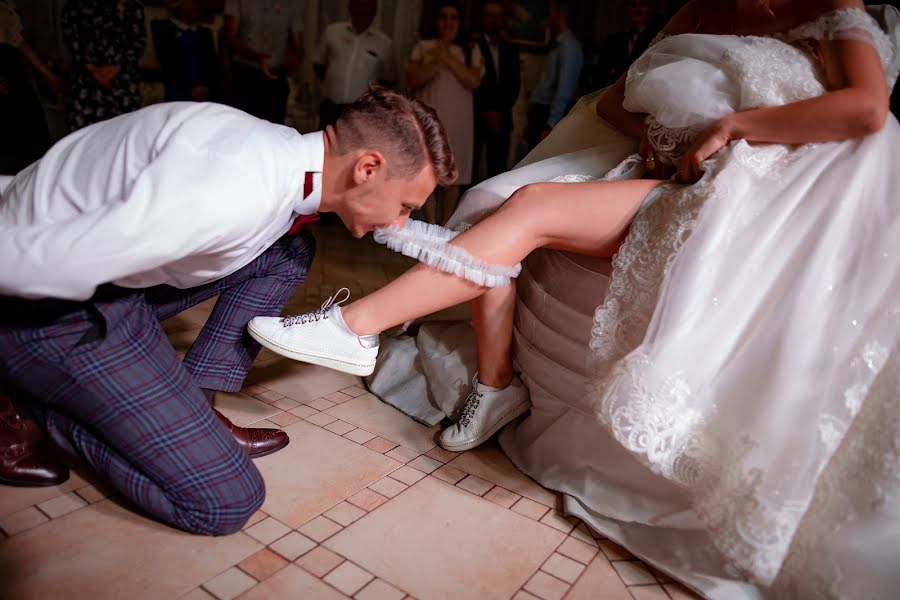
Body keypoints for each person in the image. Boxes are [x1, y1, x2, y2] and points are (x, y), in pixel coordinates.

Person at [248, 1, 900, 596]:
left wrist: (732, 127)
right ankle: (482, 375)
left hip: (757, 207)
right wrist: (656, 128)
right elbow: (617, 100)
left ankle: (358, 328)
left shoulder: (831, 10)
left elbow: (866, 110)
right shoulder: (701, 9)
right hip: (672, 178)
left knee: (529, 211)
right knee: (510, 208)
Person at [0, 88, 455, 532]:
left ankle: (196, 399)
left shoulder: (274, 149)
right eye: (404, 206)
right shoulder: (231, 190)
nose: (399, 223)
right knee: (226, 498)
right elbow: (31, 261)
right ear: (368, 167)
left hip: (110, 273)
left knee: (287, 252)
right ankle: (38, 402)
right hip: (52, 309)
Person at [407, 0, 485, 224]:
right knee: (428, 171)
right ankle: (430, 224)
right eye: (443, 17)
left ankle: (446, 227)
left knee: (454, 174)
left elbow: (473, 81)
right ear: (436, 21)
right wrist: (436, 56)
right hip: (429, 121)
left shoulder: (471, 50)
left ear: (460, 23)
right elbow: (414, 79)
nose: (448, 23)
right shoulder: (423, 47)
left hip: (459, 121)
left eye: (453, 18)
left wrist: (447, 56)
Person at [61, 0, 146, 132]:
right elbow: (71, 37)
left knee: (122, 133)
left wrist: (115, 68)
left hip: (122, 81)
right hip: (86, 81)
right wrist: (94, 70)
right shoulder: (75, 5)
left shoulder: (132, 5)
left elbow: (138, 42)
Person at [313, 0, 396, 130]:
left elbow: (389, 80)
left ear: (375, 12)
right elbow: (319, 64)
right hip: (330, 108)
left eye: (369, 7)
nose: (364, 11)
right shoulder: (332, 32)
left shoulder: (384, 43)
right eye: (360, 6)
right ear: (350, 7)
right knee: (323, 147)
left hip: (362, 114)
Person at [0, 0, 62, 174]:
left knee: (29, 133)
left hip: (14, 71)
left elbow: (19, 43)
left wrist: (49, 75)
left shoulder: (6, 7)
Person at [223, 0, 305, 124]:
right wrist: (256, 57)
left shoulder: (293, 3)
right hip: (245, 74)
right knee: (240, 126)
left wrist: (295, 57)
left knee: (273, 130)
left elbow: (298, 44)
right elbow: (229, 37)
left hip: (275, 77)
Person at [524, 0, 583, 149]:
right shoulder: (558, 43)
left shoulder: (569, 47)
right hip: (540, 113)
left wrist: (550, 126)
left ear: (561, 12)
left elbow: (564, 91)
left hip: (547, 116)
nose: (546, 13)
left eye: (549, 9)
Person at [473, 1, 521, 180]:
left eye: (498, 16)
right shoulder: (473, 45)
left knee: (498, 172)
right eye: (490, 15)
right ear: (483, 18)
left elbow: (514, 85)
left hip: (503, 117)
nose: (495, 20)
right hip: (477, 116)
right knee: (470, 169)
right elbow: (475, 82)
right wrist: (488, 110)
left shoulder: (511, 48)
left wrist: (499, 111)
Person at [151, 0, 220, 103]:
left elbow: (212, 64)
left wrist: (206, 86)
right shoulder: (161, 27)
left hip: (205, 97)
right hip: (176, 93)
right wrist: (190, 89)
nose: (197, 7)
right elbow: (169, 61)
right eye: (193, 2)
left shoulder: (205, 33)